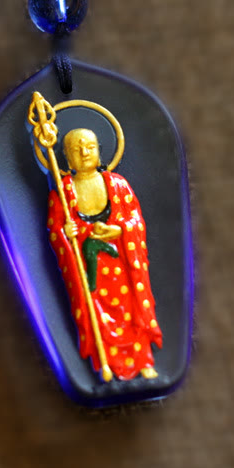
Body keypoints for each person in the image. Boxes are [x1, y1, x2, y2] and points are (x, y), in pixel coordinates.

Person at [46, 128, 162, 380]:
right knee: (97, 316)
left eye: (89, 147)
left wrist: (119, 230)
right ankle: (106, 362)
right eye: (76, 150)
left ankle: (143, 361)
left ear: (99, 150)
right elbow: (54, 231)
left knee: (132, 311)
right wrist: (66, 232)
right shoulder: (63, 193)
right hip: (90, 273)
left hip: (122, 264)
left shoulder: (118, 185)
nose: (84, 153)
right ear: (67, 158)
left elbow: (135, 220)